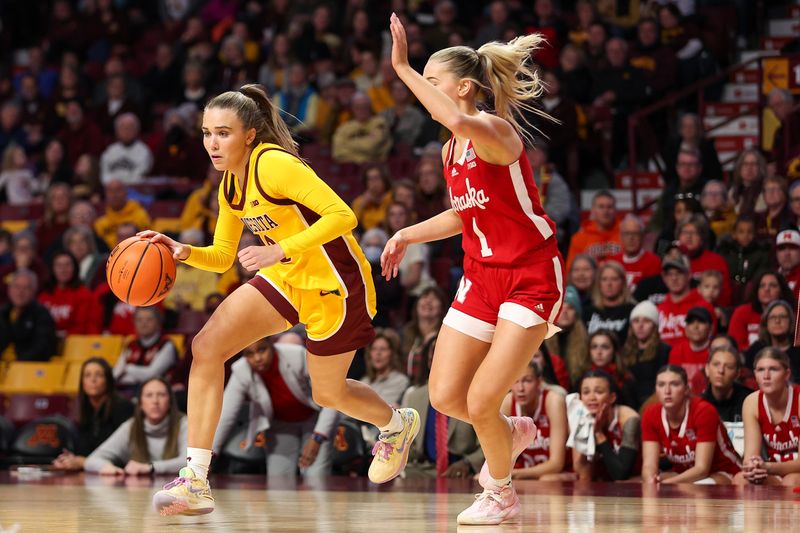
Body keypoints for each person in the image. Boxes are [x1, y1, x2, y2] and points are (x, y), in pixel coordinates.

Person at [145, 84, 418, 516]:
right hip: (287, 278)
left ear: (249, 135)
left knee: (329, 394)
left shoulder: (274, 165)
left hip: (336, 285)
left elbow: (344, 215)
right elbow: (220, 259)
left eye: (223, 133)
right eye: (206, 133)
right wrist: (182, 251)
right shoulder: (229, 186)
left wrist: (280, 249)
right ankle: (195, 478)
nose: (212, 144)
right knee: (205, 347)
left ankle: (396, 424)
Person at [382, 17, 565, 524]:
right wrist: (405, 233)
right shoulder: (449, 150)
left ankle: (502, 492)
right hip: (481, 276)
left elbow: (460, 121)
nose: (426, 90)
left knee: (483, 396)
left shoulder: (493, 130)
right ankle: (511, 431)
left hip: (530, 274)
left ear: (463, 88)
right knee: (445, 395)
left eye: (432, 81)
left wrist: (401, 67)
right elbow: (465, 212)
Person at [213, 338, 339, 479]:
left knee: (316, 476)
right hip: (280, 426)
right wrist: (211, 453)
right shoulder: (240, 370)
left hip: (315, 421)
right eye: (249, 354)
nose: (257, 358)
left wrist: (318, 437)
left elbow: (332, 395)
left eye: (262, 350)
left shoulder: (297, 356)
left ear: (271, 344)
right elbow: (226, 415)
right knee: (278, 481)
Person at [641, 365, 741, 484]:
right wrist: (650, 480)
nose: (667, 391)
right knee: (651, 483)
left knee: (695, 488)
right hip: (685, 475)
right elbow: (648, 465)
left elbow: (702, 469)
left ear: (686, 389)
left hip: (723, 472)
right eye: (661, 385)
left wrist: (667, 484)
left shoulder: (704, 411)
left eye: (674, 384)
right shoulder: (650, 414)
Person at [84, 377, 187, 476]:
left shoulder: (184, 424)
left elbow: (189, 462)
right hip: (139, 491)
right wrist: (106, 467)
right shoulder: (131, 427)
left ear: (170, 401)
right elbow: (92, 460)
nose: (155, 401)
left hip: (178, 490)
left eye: (161, 395)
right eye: (149, 395)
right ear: (141, 403)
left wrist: (150, 468)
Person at [52, 357, 134, 471]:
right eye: (87, 375)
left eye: (99, 375)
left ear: (108, 380)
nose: (93, 380)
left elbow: (122, 456)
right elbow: (84, 453)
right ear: (82, 382)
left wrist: (84, 462)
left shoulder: (123, 408)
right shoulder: (83, 410)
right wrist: (70, 460)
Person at [735, 348, 800, 486]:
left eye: (773, 369)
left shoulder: (798, 399)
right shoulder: (751, 402)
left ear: (787, 374)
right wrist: (753, 467)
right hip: (773, 470)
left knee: (791, 481)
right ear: (755, 374)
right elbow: (750, 456)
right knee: (741, 479)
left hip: (793, 473)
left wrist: (768, 467)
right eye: (760, 370)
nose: (766, 376)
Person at [502, 361, 568, 479]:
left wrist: (515, 474)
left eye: (527, 380)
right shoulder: (507, 402)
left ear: (539, 382)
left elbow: (556, 464)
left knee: (547, 479)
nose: (520, 388)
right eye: (515, 381)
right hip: (521, 475)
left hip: (555, 475)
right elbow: (498, 455)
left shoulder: (553, 401)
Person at [572, 370, 641, 481]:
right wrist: (586, 434)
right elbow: (583, 473)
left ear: (612, 397)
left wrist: (598, 434)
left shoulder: (629, 419)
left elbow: (621, 474)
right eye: (586, 392)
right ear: (580, 398)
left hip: (633, 482)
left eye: (599, 392)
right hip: (603, 483)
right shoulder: (579, 419)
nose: (591, 397)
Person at [113, 306, 178, 390]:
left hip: (156, 392)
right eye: (139, 320)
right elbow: (117, 372)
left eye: (149, 319)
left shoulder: (166, 344)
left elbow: (151, 375)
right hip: (127, 390)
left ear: (159, 322)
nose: (144, 324)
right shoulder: (131, 344)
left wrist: (127, 368)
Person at [621, 300, 671, 407]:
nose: (640, 325)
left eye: (646, 321)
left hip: (654, 402)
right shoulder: (624, 351)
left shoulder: (664, 350)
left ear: (654, 325)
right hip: (629, 402)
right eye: (636, 321)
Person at [729, 272, 794, 353]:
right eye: (762, 286)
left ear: (781, 291)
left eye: (773, 285)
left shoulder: (793, 314)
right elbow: (734, 346)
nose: (766, 289)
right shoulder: (742, 312)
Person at [0, 269, 56, 361]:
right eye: (16, 287)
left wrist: (17, 363)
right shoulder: (3, 312)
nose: (20, 292)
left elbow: (42, 349)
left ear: (34, 291)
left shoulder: (42, 316)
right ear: (9, 289)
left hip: (28, 369)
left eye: (26, 288)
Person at [669, 306, 714, 396]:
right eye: (691, 322)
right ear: (686, 328)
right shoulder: (677, 351)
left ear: (710, 328)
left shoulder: (715, 351)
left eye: (701, 321)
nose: (695, 326)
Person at [359, 329, 410, 407]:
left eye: (383, 349)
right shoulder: (364, 381)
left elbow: (380, 409)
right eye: (374, 349)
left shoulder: (400, 381)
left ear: (392, 353)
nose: (378, 353)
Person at [701, 345, 753, 423]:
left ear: (737, 373)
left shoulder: (750, 401)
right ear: (707, 369)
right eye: (716, 364)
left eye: (729, 367)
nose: (721, 371)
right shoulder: (699, 403)